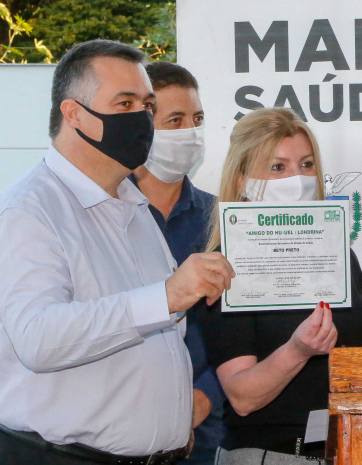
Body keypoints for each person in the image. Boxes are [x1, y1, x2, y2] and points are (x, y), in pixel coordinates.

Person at [0, 40, 234, 464]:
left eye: (146, 106)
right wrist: (165, 296)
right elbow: (37, 337)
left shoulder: (133, 205)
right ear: (73, 114)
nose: (140, 120)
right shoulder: (30, 210)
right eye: (123, 103)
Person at [199, 108, 362, 464]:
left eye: (307, 165)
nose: (297, 178)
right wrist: (297, 350)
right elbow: (242, 397)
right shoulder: (225, 266)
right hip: (269, 455)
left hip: (349, 451)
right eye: (277, 167)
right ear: (241, 179)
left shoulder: (340, 256)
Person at [130, 61, 225, 464]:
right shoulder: (107, 216)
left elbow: (244, 329)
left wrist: (202, 398)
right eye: (175, 120)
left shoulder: (221, 220)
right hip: (119, 429)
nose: (190, 131)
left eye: (197, 119)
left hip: (204, 435)